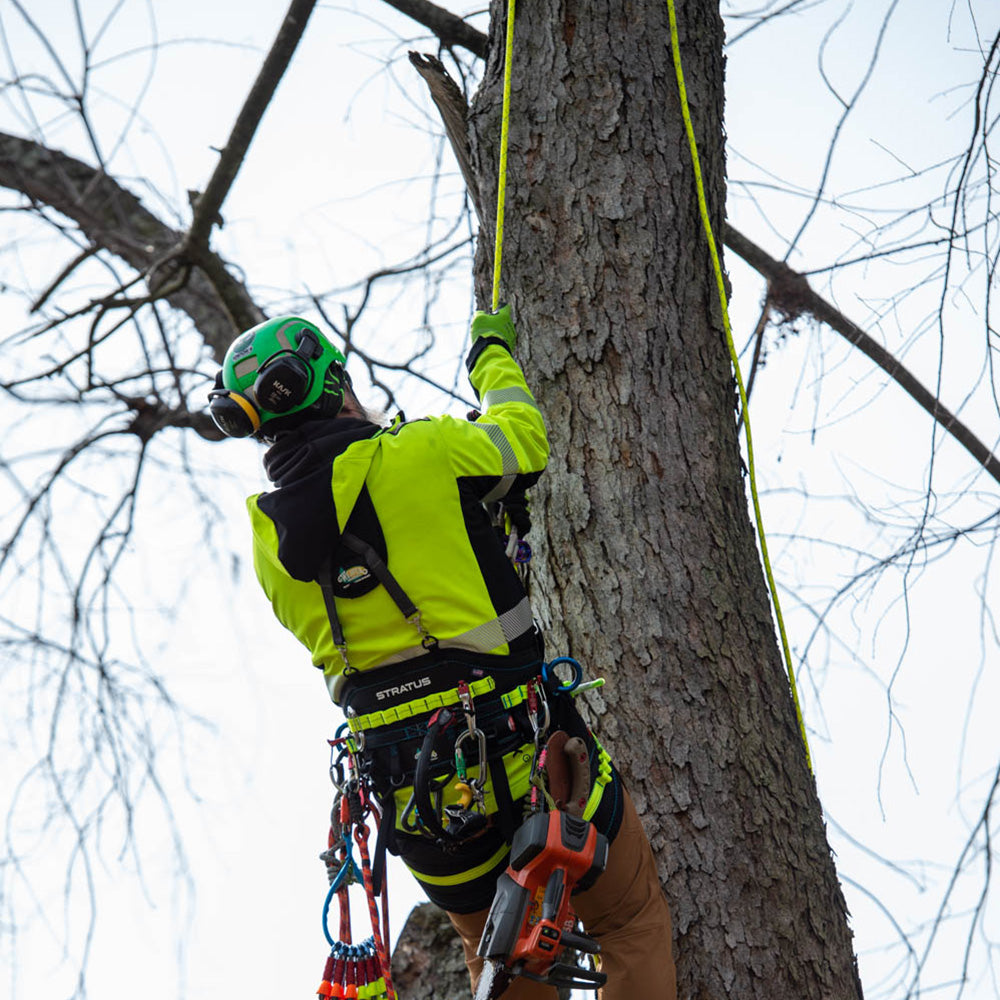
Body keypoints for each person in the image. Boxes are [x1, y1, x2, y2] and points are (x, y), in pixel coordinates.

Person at [208, 307, 677, 999]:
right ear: (335, 386)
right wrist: (491, 356)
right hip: (527, 748)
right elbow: (523, 444)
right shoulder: (424, 453)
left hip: (418, 799)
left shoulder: (268, 545)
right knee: (631, 921)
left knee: (503, 962)